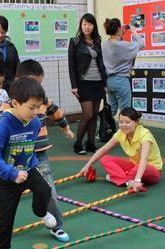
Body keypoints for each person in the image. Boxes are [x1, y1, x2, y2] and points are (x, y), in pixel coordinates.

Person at [0, 60, 74, 243]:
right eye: (33, 82)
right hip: (13, 155)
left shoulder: (42, 101)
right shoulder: (9, 106)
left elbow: (57, 113)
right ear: (19, 81)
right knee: (4, 185)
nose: (36, 88)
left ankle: (55, 226)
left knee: (48, 190)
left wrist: (66, 128)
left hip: (36, 155)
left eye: (39, 84)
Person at [0, 77, 58, 249]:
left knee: (45, 190)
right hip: (7, 176)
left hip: (27, 169)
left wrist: (29, 165)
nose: (36, 112)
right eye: (31, 107)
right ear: (15, 103)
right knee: (6, 216)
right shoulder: (4, 125)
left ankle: (40, 212)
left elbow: (29, 147)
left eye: (38, 107)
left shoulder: (34, 122)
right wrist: (11, 173)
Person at [79, 107, 163, 192]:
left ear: (136, 122)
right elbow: (104, 149)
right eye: (121, 122)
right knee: (104, 159)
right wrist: (87, 165)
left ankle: (123, 179)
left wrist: (137, 180)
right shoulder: (120, 133)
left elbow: (144, 158)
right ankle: (128, 181)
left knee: (135, 169)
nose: (123, 125)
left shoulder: (145, 135)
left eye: (127, 122)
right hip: (134, 166)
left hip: (152, 169)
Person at [68, 13, 107, 155]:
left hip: (98, 82)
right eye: (84, 24)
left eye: (90, 24)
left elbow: (101, 62)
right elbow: (71, 64)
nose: (87, 27)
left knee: (95, 114)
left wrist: (104, 82)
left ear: (93, 26)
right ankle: (78, 144)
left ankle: (90, 143)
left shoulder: (97, 41)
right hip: (83, 83)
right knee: (88, 113)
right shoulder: (74, 42)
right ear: (81, 25)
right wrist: (74, 85)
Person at [102, 19, 144, 118]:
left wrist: (120, 33)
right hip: (121, 80)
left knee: (111, 109)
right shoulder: (124, 45)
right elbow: (141, 44)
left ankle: (102, 132)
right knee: (126, 111)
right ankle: (125, 133)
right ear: (118, 28)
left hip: (109, 81)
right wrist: (134, 31)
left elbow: (117, 45)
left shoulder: (105, 44)